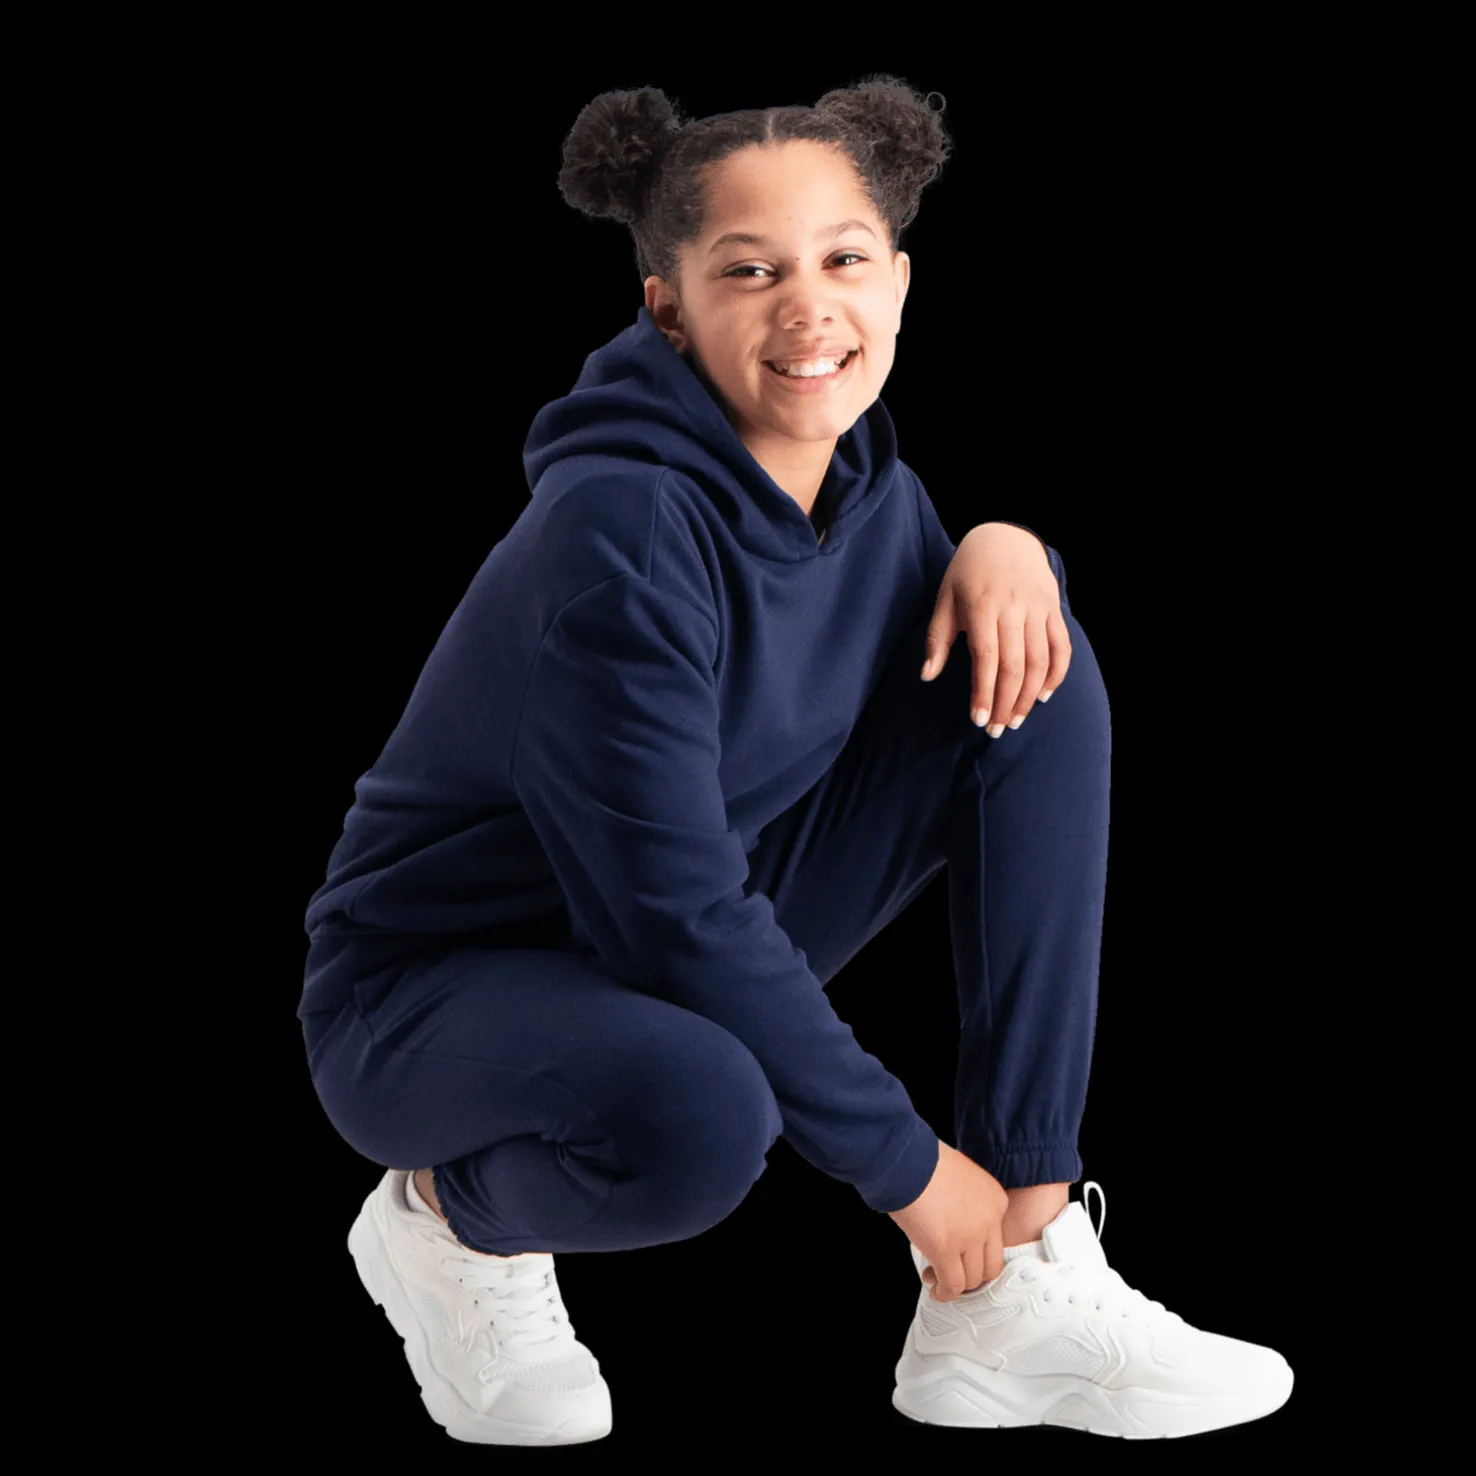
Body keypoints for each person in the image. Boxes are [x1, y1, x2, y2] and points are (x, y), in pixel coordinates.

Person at [297, 75, 1293, 1447]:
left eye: (844, 260)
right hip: (431, 997)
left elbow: (940, 648)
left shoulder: (862, 483)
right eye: (750, 271)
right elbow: (674, 914)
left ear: (900, 282)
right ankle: (446, 1223)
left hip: (658, 943)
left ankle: (1014, 1276)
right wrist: (912, 1172)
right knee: (704, 1117)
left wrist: (1014, 552)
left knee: (1031, 677)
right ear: (669, 309)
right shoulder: (624, 532)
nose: (808, 309)